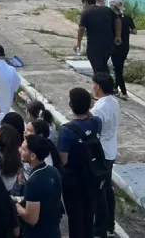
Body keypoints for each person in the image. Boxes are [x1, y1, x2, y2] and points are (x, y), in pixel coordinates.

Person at [58, 87, 101, 238]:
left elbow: (63, 159)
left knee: (76, 219)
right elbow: (90, 117)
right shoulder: (96, 123)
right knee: (89, 215)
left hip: (73, 180)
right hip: (92, 175)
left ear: (70, 105)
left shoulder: (66, 131)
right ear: (89, 104)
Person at [16, 135, 64, 238]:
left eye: (24, 149)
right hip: (54, 231)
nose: (20, 150)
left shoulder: (34, 181)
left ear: (33, 156)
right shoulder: (53, 171)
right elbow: (44, 199)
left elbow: (31, 219)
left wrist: (15, 206)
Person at [91, 73, 120, 238]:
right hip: (111, 150)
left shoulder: (99, 109)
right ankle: (109, 223)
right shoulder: (113, 102)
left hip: (101, 153)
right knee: (107, 189)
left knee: (99, 191)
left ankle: (100, 228)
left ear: (98, 87)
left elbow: (93, 130)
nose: (92, 87)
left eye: (93, 84)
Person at [76, 0, 121, 75]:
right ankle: (106, 82)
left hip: (94, 46)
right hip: (108, 45)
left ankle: (103, 84)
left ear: (86, 3)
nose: (83, 7)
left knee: (98, 69)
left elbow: (81, 29)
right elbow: (118, 20)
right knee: (102, 64)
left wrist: (78, 43)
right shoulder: (107, 9)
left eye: (83, 4)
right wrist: (118, 36)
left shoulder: (86, 13)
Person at [111, 2, 136, 98]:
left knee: (117, 69)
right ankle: (115, 88)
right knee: (118, 68)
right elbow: (134, 31)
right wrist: (126, 31)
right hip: (125, 47)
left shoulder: (113, 19)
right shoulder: (128, 17)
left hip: (115, 46)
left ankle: (123, 92)